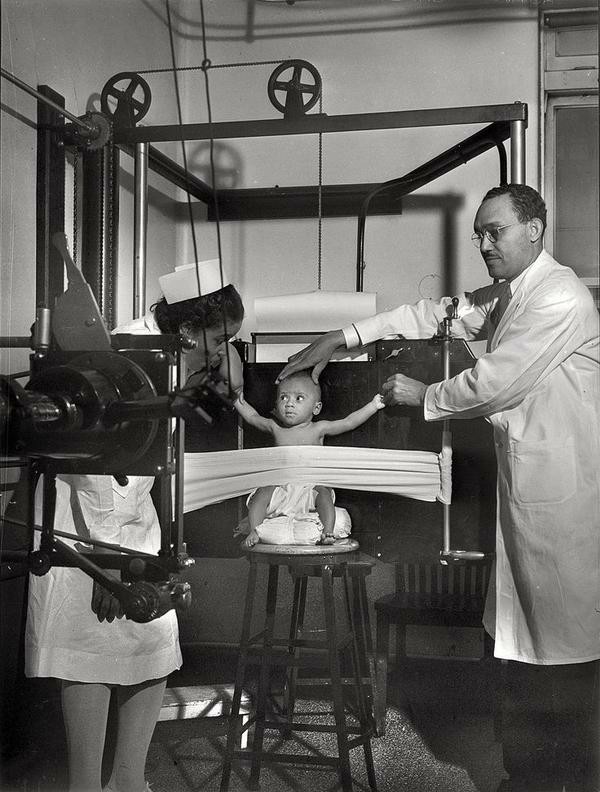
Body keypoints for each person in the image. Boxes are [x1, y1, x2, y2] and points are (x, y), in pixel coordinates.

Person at [278, 184, 600, 792]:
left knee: (563, 649)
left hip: (566, 499)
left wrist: (421, 396)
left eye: (494, 231)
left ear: (535, 229)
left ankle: (562, 778)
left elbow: (495, 382)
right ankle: (526, 774)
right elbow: (435, 314)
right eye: (478, 232)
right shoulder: (511, 297)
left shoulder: (560, 296)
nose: (483, 244)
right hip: (530, 493)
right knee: (523, 645)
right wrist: (339, 339)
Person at [24, 259, 245, 792]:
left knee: (150, 648)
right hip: (85, 523)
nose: (222, 352)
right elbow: (98, 477)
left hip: (133, 519)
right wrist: (111, 565)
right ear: (188, 328)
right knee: (91, 654)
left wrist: (222, 353)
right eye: (218, 338)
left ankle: (129, 781)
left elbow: (231, 385)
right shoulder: (127, 355)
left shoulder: (175, 353)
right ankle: (85, 785)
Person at [234, 370, 384, 548]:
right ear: (276, 403)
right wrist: (235, 398)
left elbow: (349, 422)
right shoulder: (274, 427)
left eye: (299, 398)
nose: (289, 404)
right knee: (262, 493)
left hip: (310, 490)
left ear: (316, 408)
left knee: (324, 493)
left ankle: (328, 531)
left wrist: (374, 405)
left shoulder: (318, 429)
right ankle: (254, 529)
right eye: (283, 398)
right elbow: (251, 416)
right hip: (282, 490)